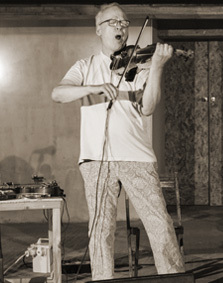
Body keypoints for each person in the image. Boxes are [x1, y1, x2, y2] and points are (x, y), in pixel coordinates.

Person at [51, 3, 184, 280]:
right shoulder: (85, 66)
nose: (121, 27)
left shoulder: (139, 66)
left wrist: (157, 67)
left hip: (136, 156)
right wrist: (95, 87)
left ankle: (173, 277)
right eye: (114, 22)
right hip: (95, 160)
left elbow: (148, 108)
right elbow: (58, 94)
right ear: (99, 29)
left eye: (124, 23)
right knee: (100, 229)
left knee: (160, 224)